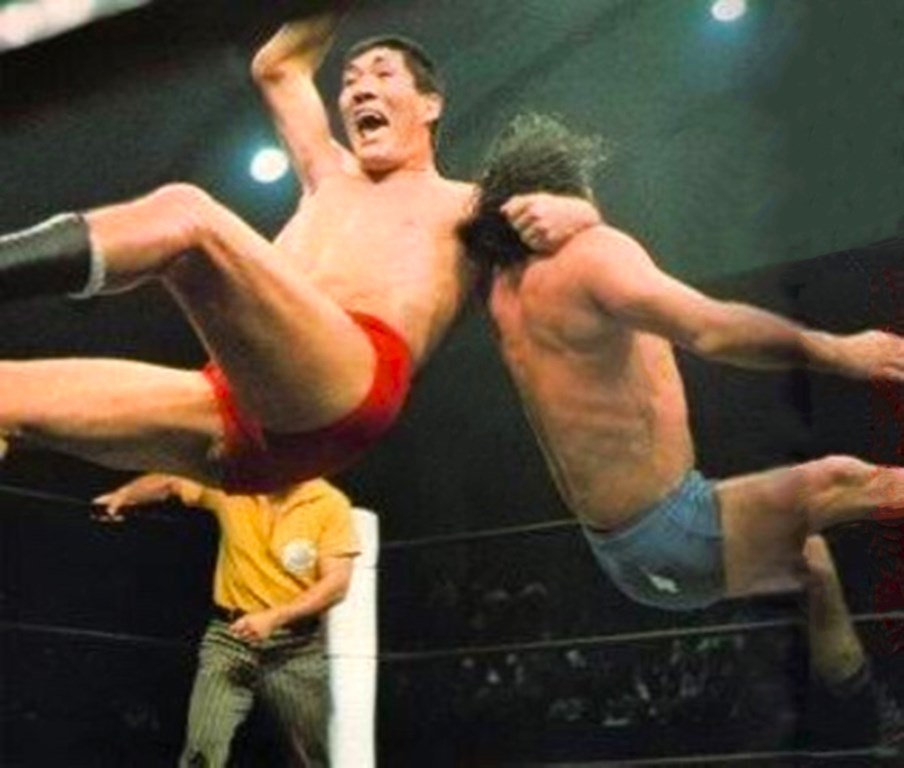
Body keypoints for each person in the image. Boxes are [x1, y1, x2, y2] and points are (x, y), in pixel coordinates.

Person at [0, 6, 479, 493]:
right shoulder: (329, 174)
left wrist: (534, 216)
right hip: (240, 410)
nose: (360, 90)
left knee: (186, 216)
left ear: (430, 105)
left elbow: (533, 250)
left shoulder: (467, 202)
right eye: (351, 80)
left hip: (347, 385)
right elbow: (280, 67)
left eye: (382, 74)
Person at [460, 113, 904, 610]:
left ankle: (844, 658)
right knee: (847, 481)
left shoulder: (498, 288)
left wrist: (576, 213)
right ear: (566, 187)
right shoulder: (592, 254)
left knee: (815, 556)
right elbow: (713, 331)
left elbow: (441, 213)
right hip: (677, 533)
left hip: (624, 559)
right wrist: (847, 352)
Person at [95, 473, 360, 767]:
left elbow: (336, 584)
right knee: (202, 749)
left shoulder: (328, 503)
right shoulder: (235, 486)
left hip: (295, 648)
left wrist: (274, 617)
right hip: (230, 639)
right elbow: (170, 482)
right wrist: (124, 495)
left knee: (311, 757)